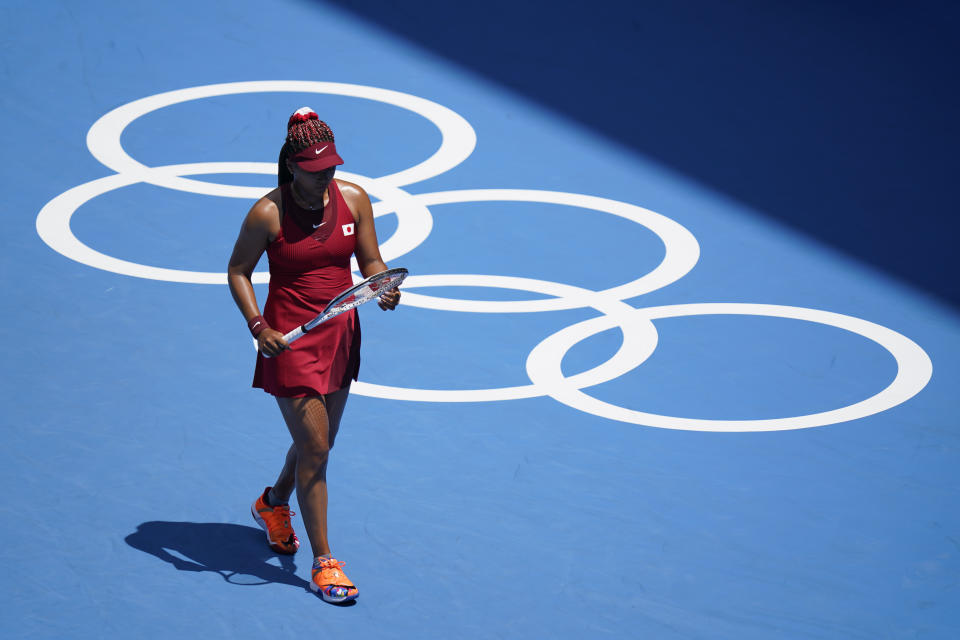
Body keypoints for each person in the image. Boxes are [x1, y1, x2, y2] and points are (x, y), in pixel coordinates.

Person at [227, 107, 400, 604]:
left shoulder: (354, 199)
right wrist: (258, 326)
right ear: (291, 166)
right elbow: (237, 271)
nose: (327, 176)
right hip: (289, 340)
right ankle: (325, 563)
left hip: (342, 333)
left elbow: (370, 261)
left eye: (332, 167)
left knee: (317, 445)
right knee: (318, 450)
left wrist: (382, 284)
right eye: (316, 169)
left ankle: (272, 503)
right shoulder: (267, 213)